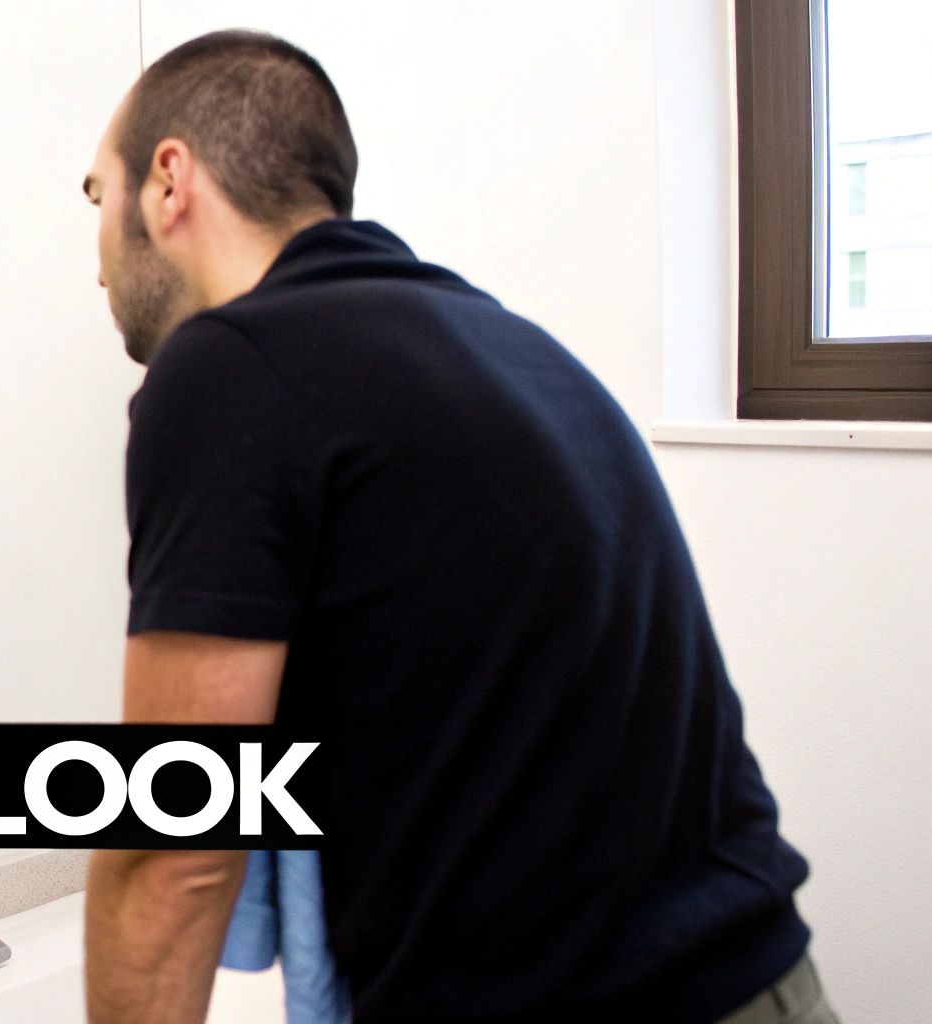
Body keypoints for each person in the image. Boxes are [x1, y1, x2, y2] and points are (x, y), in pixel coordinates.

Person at [81, 31, 833, 1024]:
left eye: (96, 196)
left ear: (167, 181)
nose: (94, 263)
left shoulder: (229, 367)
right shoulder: (509, 347)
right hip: (762, 981)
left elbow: (174, 842)